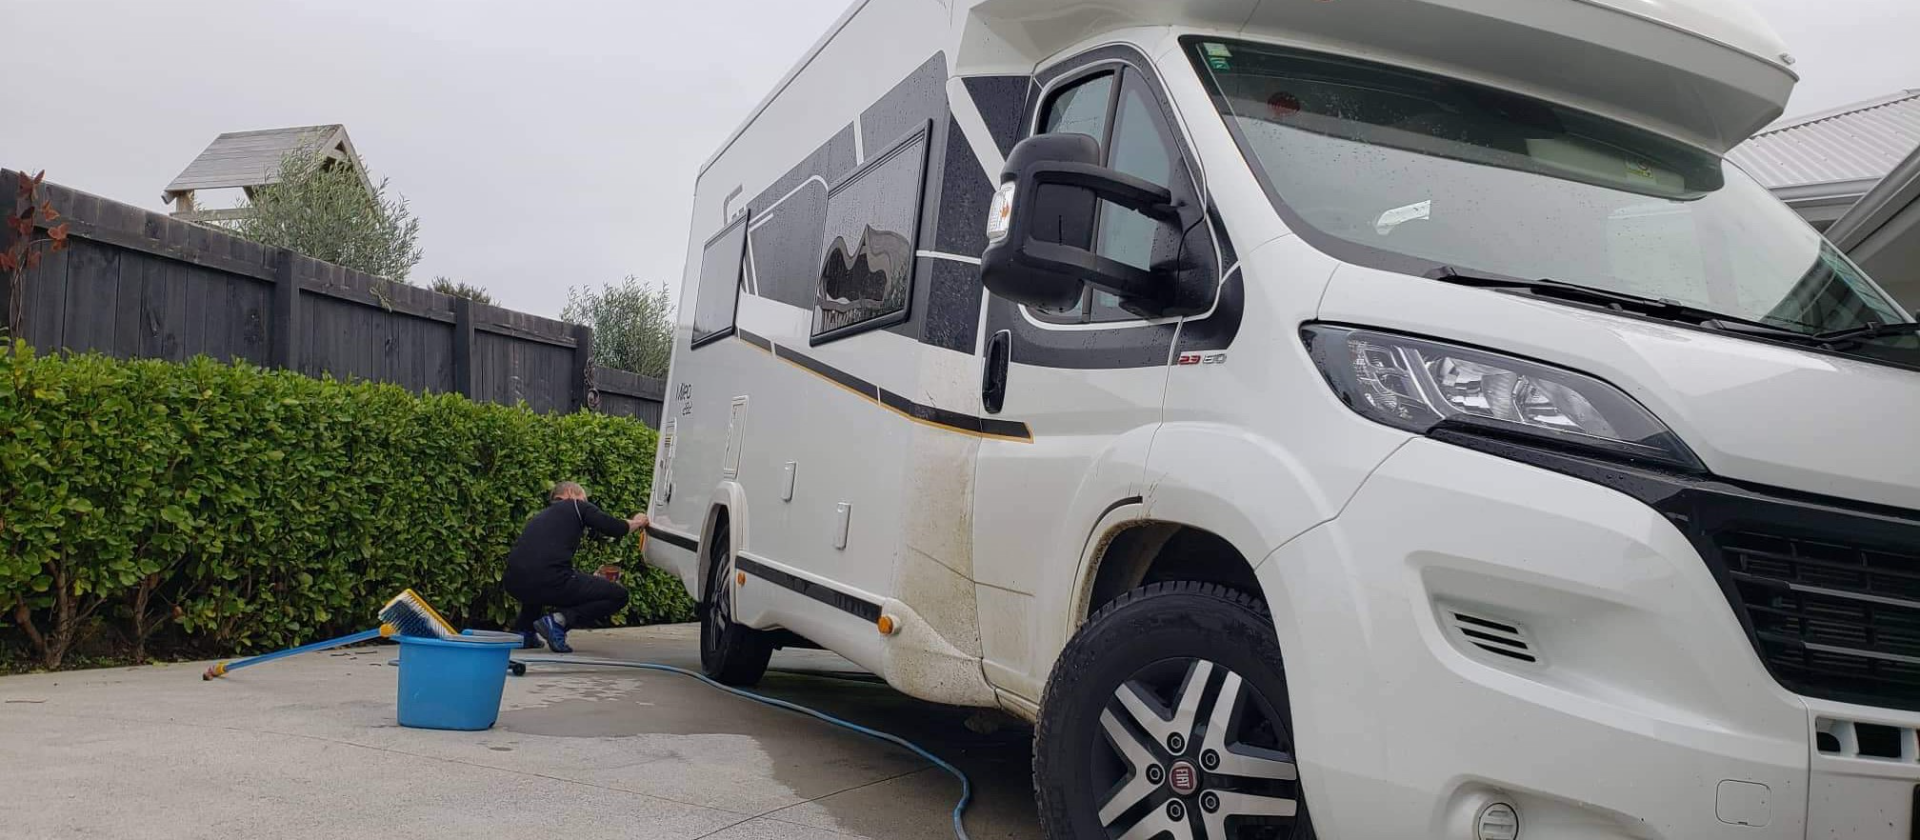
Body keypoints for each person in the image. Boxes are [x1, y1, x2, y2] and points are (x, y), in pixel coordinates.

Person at [503, 481, 646, 653]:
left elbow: (541, 562)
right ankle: (559, 621)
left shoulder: (541, 516)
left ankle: (524, 633)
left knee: (538, 576)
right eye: (585, 498)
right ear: (570, 493)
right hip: (548, 578)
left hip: (513, 582)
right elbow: (614, 527)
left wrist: (589, 580)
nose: (586, 503)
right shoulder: (577, 506)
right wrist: (638, 522)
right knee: (619, 595)